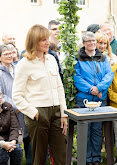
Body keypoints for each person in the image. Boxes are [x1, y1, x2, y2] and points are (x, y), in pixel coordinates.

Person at [12, 24, 68, 165]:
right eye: (43, 40)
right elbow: (17, 96)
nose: (48, 42)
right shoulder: (24, 64)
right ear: (34, 41)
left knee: (61, 156)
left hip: (56, 113)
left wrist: (64, 113)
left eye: (48, 39)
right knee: (39, 158)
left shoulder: (51, 60)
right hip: (38, 114)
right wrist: (34, 113)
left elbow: (59, 87)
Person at [73, 31, 114, 165]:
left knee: (97, 130)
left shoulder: (102, 57)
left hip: (100, 99)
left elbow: (109, 74)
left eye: (93, 41)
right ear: (84, 43)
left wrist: (100, 88)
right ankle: (85, 158)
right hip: (84, 98)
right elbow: (77, 77)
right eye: (89, 41)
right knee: (85, 129)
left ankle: (96, 158)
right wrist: (92, 89)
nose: (92, 43)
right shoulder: (77, 58)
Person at [0, 89, 23, 165]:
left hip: (9, 140)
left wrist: (12, 142)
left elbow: (14, 127)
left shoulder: (8, 106)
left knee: (18, 150)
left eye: (0, 95)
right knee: (3, 153)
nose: (0, 97)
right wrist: (3, 144)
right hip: (1, 142)